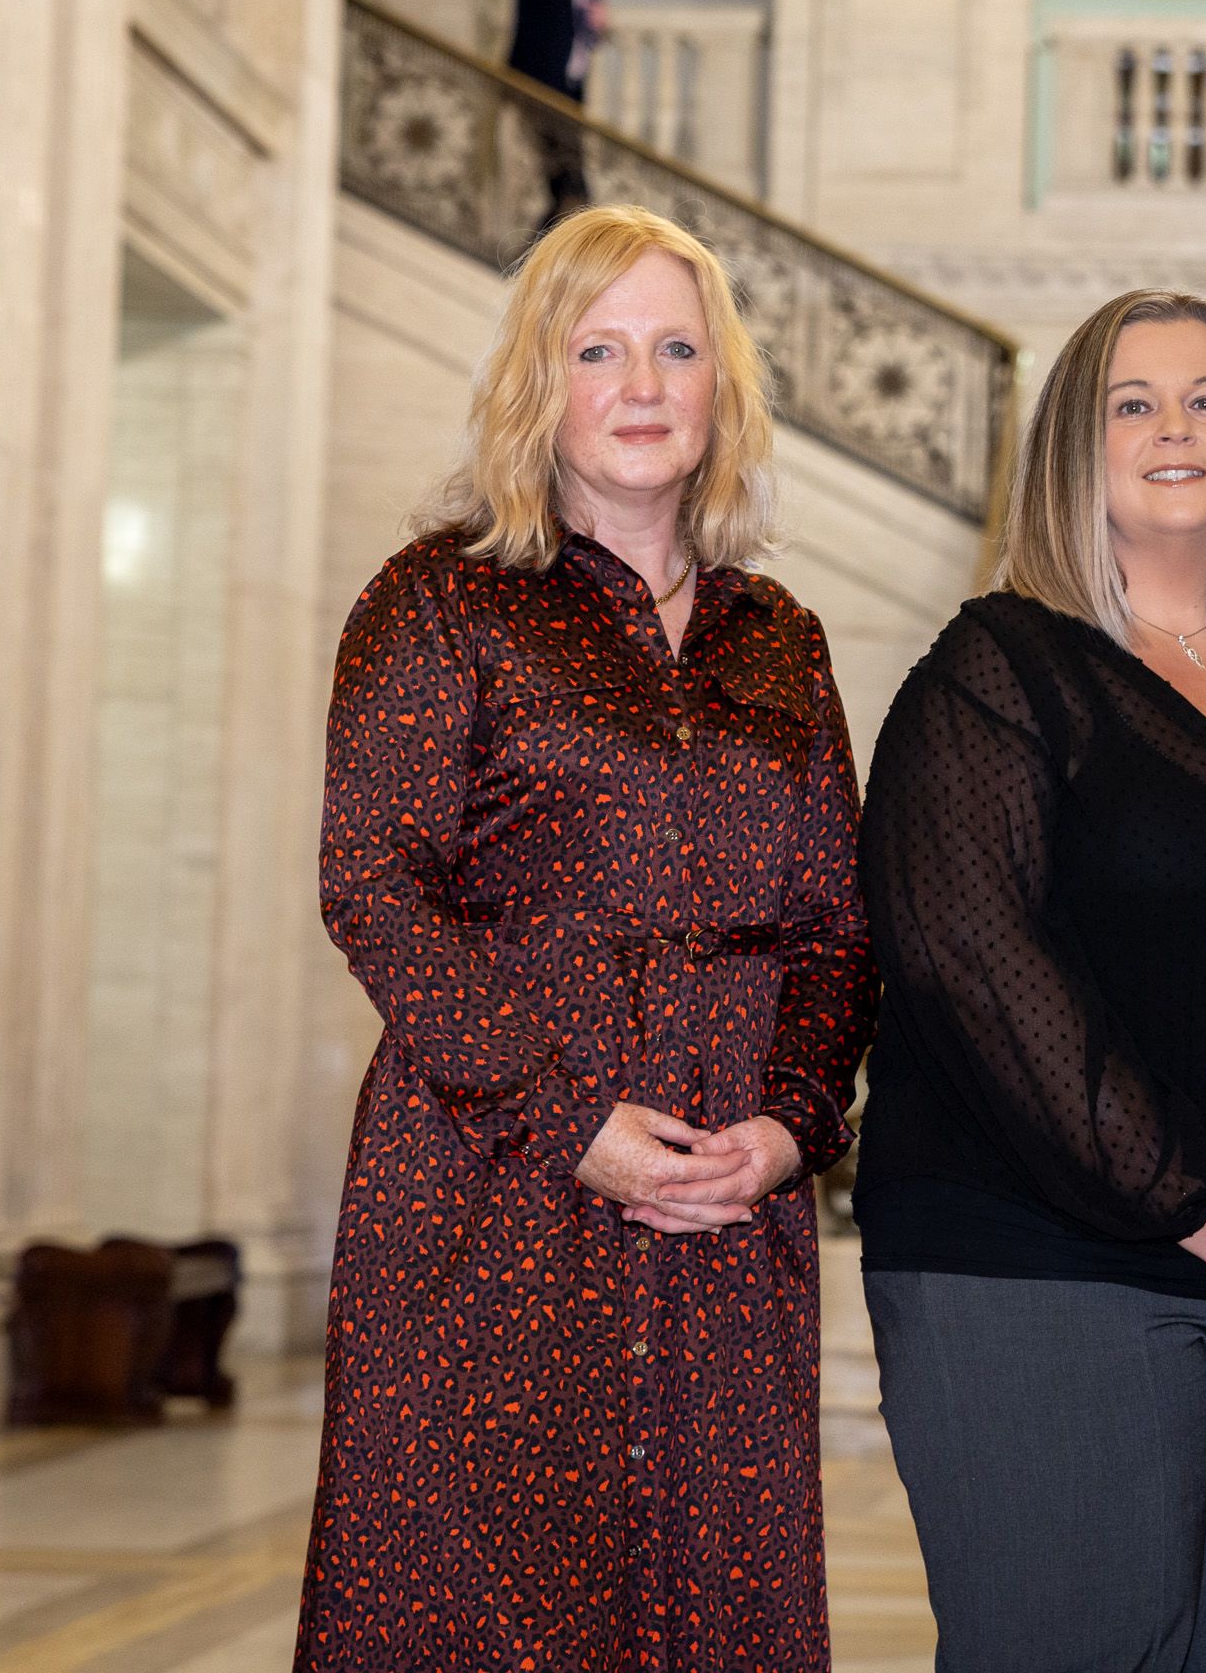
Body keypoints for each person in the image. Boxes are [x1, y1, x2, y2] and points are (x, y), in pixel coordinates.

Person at [299, 204, 876, 1672]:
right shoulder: (439, 601)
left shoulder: (782, 638)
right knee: (482, 1618)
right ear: (538, 387)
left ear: (720, 390)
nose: (640, 383)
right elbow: (373, 883)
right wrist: (569, 1120)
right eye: (598, 348)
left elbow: (836, 928)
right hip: (489, 1203)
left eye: (676, 349)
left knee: (718, 1616)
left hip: (723, 1217)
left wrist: (794, 1128)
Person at [853, 288, 1206, 1672]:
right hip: (1036, 1271)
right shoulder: (997, 668)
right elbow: (967, 958)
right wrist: (1182, 1184)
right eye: (1133, 402)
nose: (1176, 427)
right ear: (1072, 449)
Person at [507, 0, 627, 230]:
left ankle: (529, 267)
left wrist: (598, 22)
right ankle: (529, 267)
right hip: (540, 83)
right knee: (572, 189)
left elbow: (573, 25)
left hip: (569, 86)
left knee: (567, 191)